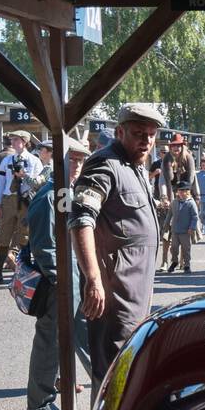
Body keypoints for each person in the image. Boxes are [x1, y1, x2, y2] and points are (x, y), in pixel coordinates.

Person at [69, 103, 164, 386]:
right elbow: (81, 219)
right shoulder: (104, 164)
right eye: (138, 133)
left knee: (128, 368)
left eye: (151, 134)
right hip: (115, 293)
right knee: (113, 374)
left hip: (134, 290)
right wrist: (93, 278)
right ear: (120, 131)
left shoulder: (134, 167)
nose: (146, 140)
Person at [24, 137, 93, 410]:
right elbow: (43, 245)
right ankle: (39, 403)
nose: (76, 165)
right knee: (53, 342)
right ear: (56, 159)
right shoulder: (51, 195)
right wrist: (59, 280)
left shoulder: (66, 192)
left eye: (79, 159)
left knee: (83, 336)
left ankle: (109, 390)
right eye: (71, 159)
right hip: (61, 282)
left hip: (72, 278)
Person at [0, 130, 42, 285]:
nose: (12, 142)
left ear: (25, 142)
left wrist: (24, 176)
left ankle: (21, 272)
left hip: (26, 200)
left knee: (24, 235)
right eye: (11, 139)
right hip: (8, 199)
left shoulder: (34, 161)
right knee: (3, 236)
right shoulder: (7, 161)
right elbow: (0, 183)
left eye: (16, 139)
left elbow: (37, 184)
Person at [168, 181, 198, 273]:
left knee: (186, 248)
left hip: (185, 230)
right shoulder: (174, 202)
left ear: (187, 192)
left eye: (182, 191)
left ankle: (187, 265)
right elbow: (169, 215)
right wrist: (165, 226)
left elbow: (195, 216)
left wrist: (192, 227)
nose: (180, 193)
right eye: (179, 191)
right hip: (175, 230)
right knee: (174, 248)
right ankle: (174, 262)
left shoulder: (191, 203)